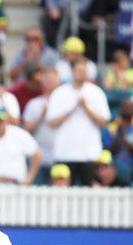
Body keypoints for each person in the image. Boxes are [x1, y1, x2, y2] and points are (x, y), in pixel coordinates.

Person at [47, 58, 111, 186]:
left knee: (90, 192)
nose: (82, 73)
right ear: (71, 71)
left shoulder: (96, 92)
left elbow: (104, 121)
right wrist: (72, 108)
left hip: (90, 153)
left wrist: (86, 108)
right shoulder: (59, 93)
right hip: (64, 153)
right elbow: (51, 122)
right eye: (79, 70)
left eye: (84, 71)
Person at [0, 108, 41, 185]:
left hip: (16, 185)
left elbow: (37, 153)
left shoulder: (18, 134)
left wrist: (29, 177)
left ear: (6, 121)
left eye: (0, 120)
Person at [23, 67, 61, 185]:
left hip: (60, 156)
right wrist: (41, 115)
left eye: (52, 79)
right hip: (38, 158)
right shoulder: (34, 104)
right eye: (47, 79)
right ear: (42, 82)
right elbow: (27, 130)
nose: (50, 82)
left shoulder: (65, 102)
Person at [102, 99, 133, 184]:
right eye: (125, 107)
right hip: (114, 167)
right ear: (120, 109)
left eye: (130, 107)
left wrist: (128, 144)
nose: (127, 110)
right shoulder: (111, 128)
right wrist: (119, 138)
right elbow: (107, 151)